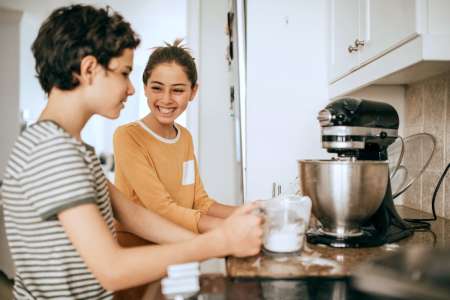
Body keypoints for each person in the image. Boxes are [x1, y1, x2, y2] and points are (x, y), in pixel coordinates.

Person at [1, 5, 262, 299]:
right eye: (124, 73)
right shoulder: (53, 152)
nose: (130, 89)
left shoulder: (70, 147)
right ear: (89, 70)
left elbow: (134, 215)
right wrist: (220, 244)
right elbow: (111, 268)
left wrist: (221, 239)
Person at [113, 40, 236, 245]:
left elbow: (200, 202)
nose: (166, 99)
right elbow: (161, 208)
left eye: (177, 90)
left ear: (193, 91)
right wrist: (227, 229)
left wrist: (249, 212)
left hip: (177, 246)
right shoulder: (127, 136)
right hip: (136, 252)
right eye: (157, 88)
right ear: (145, 88)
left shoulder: (185, 137)